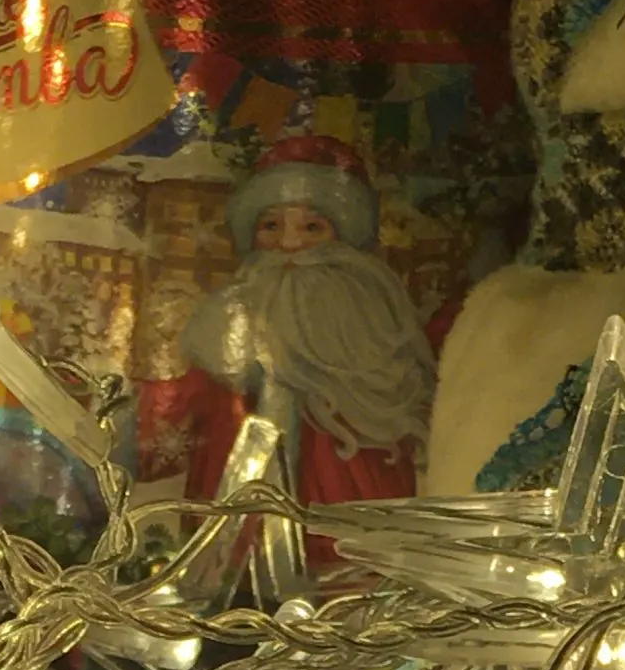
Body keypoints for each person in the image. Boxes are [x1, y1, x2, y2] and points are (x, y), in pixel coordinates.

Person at [135, 135, 439, 525]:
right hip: (234, 518)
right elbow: (178, 413)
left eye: (312, 227)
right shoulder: (226, 321)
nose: (290, 244)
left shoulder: (371, 337)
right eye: (271, 226)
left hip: (350, 523)